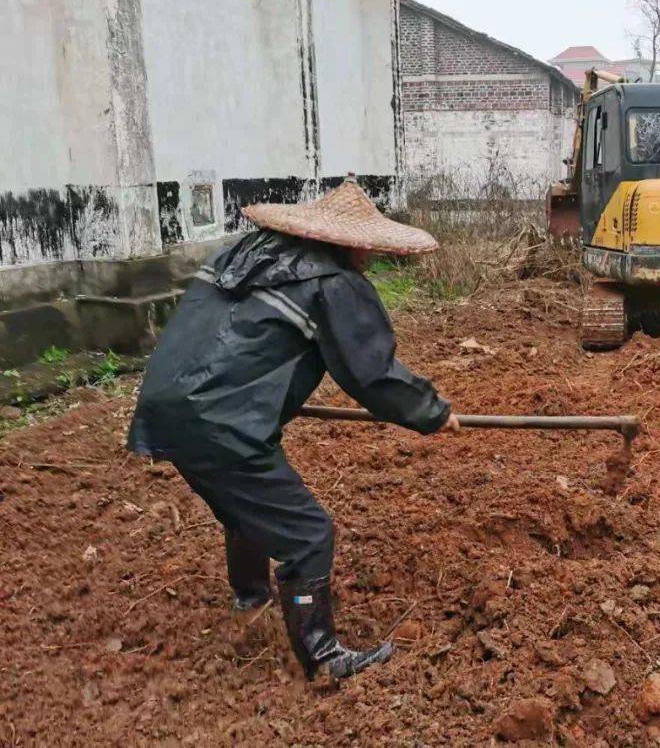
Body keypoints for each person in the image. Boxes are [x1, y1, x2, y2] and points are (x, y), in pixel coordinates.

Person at [127, 178, 458, 681]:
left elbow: (230, 342)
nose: (367, 254)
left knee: (248, 509)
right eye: (363, 244)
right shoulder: (333, 282)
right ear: (348, 242)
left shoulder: (240, 255)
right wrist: (434, 412)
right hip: (222, 422)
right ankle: (324, 659)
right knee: (307, 535)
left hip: (167, 407)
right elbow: (372, 374)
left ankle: (251, 599)